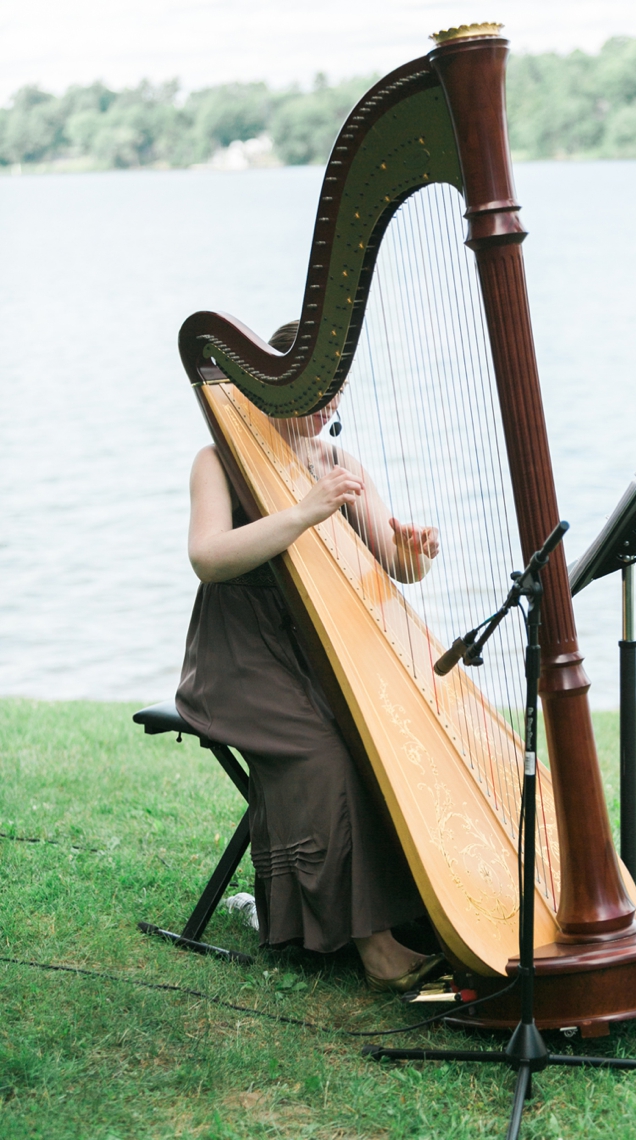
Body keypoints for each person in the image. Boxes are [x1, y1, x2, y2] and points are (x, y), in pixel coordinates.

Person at [176, 321, 443, 993]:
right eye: (316, 390)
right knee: (327, 753)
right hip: (237, 660)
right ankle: (372, 944)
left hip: (319, 655)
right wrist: (303, 512)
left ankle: (424, 909)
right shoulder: (220, 460)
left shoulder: (342, 466)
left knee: (387, 736)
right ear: (275, 385)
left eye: (336, 391)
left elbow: (397, 564)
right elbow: (208, 559)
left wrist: (415, 552)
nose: (327, 406)